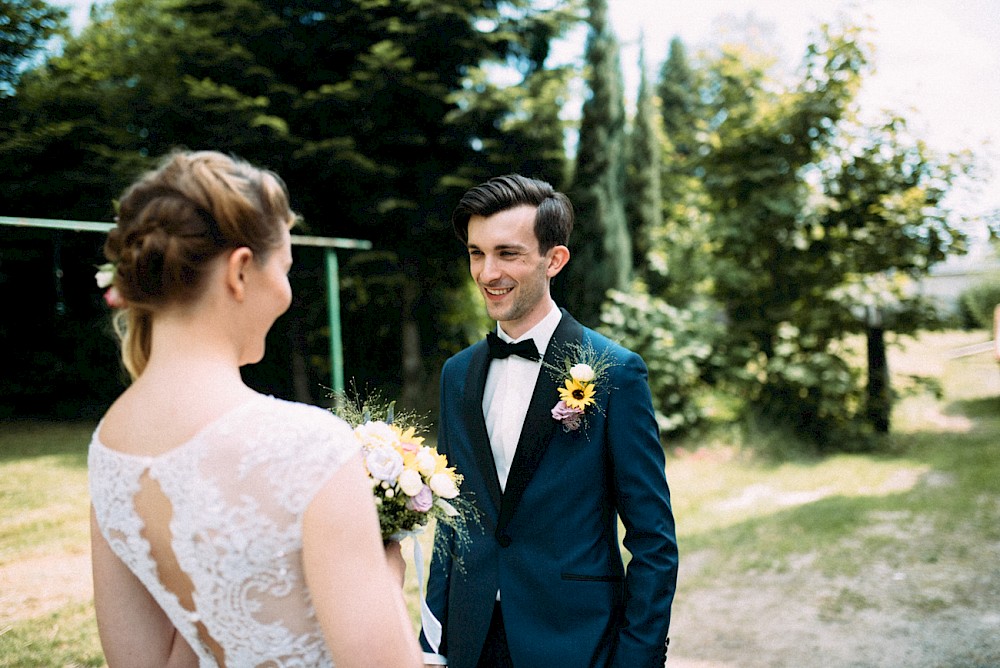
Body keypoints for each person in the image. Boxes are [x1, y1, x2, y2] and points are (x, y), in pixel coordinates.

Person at [88, 150, 423, 667]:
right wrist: (385, 576)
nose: (287, 292)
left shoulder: (109, 447)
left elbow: (145, 661)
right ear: (241, 271)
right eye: (285, 269)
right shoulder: (309, 445)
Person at [420, 174, 679, 667]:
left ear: (554, 259)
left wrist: (637, 660)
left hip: (576, 643)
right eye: (477, 253)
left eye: (507, 253)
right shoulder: (457, 375)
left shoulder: (616, 371)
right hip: (470, 642)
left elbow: (653, 542)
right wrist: (433, 644)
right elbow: (453, 525)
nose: (487, 272)